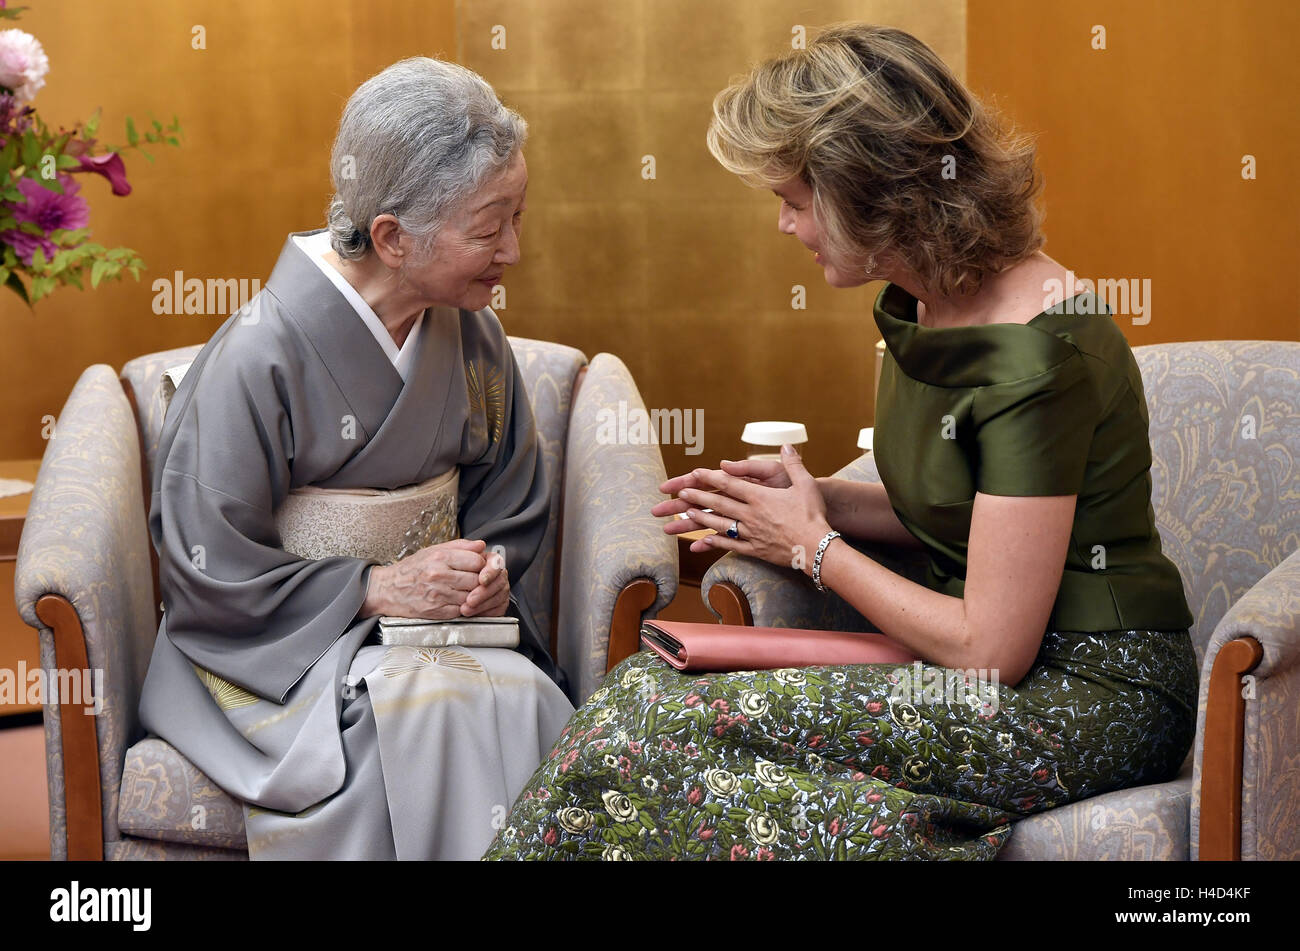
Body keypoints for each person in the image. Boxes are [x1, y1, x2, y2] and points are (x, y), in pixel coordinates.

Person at [482, 24, 1197, 860]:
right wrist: (810, 499)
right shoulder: (929, 297)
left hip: (1088, 693)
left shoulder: (1038, 351)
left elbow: (989, 646)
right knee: (636, 695)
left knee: (646, 727)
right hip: (1000, 673)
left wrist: (813, 546)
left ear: (871, 192)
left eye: (793, 199)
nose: (785, 226)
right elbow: (966, 504)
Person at [137, 58, 574, 860]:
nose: (513, 248)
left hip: (437, 629)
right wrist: (375, 588)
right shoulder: (258, 354)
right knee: (416, 721)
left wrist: (487, 568)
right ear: (392, 237)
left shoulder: (471, 331)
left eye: (518, 216)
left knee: (522, 701)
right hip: (281, 649)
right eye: (489, 228)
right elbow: (208, 567)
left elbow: (507, 497)